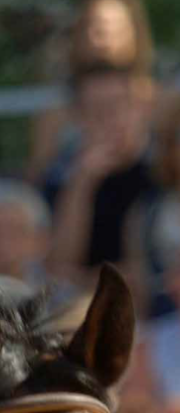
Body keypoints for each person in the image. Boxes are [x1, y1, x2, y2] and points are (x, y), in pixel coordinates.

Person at [42, 62, 156, 301]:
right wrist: (82, 182)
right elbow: (57, 267)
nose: (109, 119)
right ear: (77, 118)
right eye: (96, 110)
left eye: (118, 105)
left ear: (140, 108)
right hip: (88, 303)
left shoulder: (164, 169)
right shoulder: (60, 177)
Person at [27, 0, 173, 184]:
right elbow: (38, 176)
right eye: (96, 28)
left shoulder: (162, 102)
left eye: (113, 28)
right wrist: (85, 173)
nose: (103, 40)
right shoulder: (56, 111)